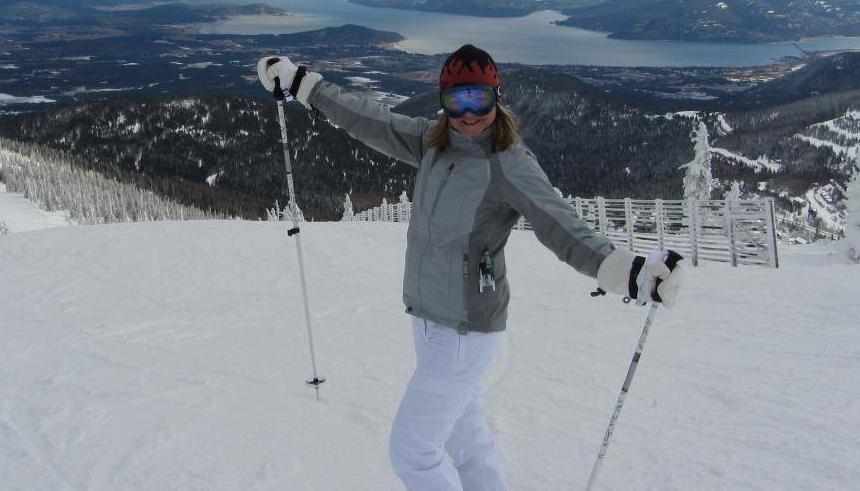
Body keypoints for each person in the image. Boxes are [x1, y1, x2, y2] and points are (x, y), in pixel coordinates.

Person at [257, 45, 684, 491]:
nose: (468, 113)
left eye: (478, 100)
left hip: (463, 331)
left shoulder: (508, 163)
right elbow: (370, 119)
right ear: (443, 103)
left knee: (413, 451)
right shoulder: (432, 144)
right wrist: (306, 85)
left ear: (495, 98)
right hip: (431, 321)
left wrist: (625, 271)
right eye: (455, 101)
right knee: (468, 439)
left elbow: (560, 224)